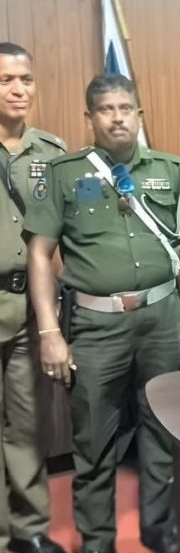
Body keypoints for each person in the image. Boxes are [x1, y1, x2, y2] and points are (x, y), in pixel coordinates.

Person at [25, 74, 180, 553]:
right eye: (106, 109)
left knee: (163, 432)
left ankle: (160, 531)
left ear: (139, 115)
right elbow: (40, 254)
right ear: (89, 118)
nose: (117, 118)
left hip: (163, 319)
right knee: (93, 440)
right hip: (95, 327)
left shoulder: (171, 170)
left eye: (125, 108)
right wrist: (49, 332)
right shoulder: (64, 174)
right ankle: (98, 542)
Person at [0, 42, 66, 553]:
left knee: (27, 426)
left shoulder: (52, 152)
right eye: (5, 80)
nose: (18, 89)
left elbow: (70, 232)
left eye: (25, 79)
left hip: (29, 307)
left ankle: (28, 530)